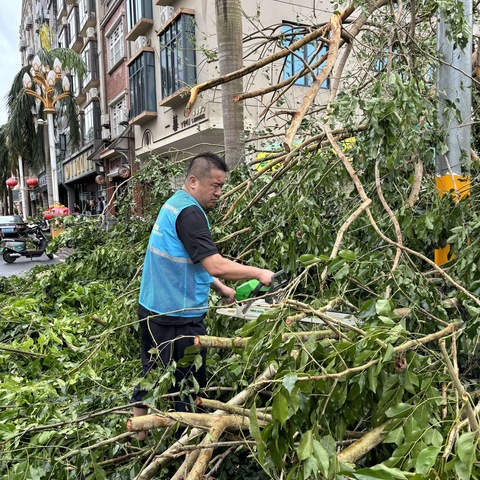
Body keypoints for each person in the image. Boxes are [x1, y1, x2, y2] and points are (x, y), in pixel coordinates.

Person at [130, 152, 274, 440]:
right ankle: (187, 443)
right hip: (176, 316)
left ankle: (138, 435)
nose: (219, 193)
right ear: (194, 181)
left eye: (222, 186)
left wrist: (219, 287)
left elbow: (189, 259)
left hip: (153, 308)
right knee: (188, 385)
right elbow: (214, 263)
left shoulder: (175, 204)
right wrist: (259, 273)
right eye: (215, 185)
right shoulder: (191, 214)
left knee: (152, 370)